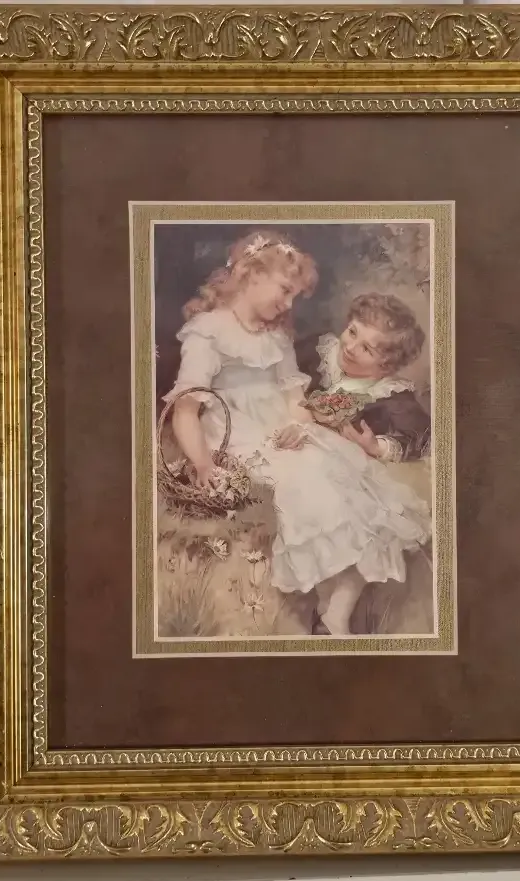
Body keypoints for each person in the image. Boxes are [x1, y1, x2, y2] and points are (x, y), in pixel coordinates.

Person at [165, 231, 431, 635]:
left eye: (295, 296)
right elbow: (186, 409)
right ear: (251, 274)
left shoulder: (276, 339)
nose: (289, 304)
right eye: (286, 290)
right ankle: (329, 610)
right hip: (236, 435)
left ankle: (334, 612)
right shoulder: (209, 332)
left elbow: (295, 402)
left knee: (354, 483)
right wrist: (202, 463)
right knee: (309, 482)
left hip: (281, 432)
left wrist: (297, 426)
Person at [295, 292, 431, 464]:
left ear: (386, 365)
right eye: (352, 332)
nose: (350, 348)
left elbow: (423, 438)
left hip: (332, 461)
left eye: (366, 349)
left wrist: (376, 447)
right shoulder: (319, 350)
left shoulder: (390, 396)